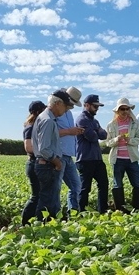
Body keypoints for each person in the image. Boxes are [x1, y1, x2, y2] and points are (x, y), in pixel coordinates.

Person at [32, 89, 74, 221]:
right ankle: (41, 228)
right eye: (65, 106)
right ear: (57, 103)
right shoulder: (48, 120)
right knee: (47, 200)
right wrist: (57, 162)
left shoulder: (46, 117)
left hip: (46, 164)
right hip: (47, 165)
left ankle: (48, 227)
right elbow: (44, 148)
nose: (66, 110)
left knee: (50, 198)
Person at [106, 98, 139, 212]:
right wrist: (116, 140)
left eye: (127, 109)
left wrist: (130, 140)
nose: (124, 111)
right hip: (117, 159)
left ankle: (137, 209)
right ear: (117, 110)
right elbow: (108, 142)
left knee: (138, 184)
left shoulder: (135, 123)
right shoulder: (111, 125)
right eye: (122, 109)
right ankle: (120, 210)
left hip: (132, 159)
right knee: (117, 185)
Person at [75, 95, 109, 213]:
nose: (97, 108)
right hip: (84, 159)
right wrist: (97, 132)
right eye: (95, 106)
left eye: (98, 106)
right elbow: (93, 137)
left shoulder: (95, 121)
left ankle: (103, 211)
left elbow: (104, 135)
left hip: (97, 159)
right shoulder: (81, 119)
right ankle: (81, 213)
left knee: (104, 185)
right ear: (86, 105)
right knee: (85, 188)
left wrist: (98, 132)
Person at [55, 86, 85, 217]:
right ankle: (53, 218)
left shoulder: (68, 113)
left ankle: (72, 215)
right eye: (71, 103)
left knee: (76, 186)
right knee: (55, 189)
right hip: (58, 154)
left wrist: (74, 131)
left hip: (68, 155)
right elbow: (50, 133)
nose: (71, 106)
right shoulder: (54, 112)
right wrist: (69, 131)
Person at [21, 100, 46, 224]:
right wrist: (44, 153)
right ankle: (24, 222)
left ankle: (35, 220)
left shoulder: (36, 126)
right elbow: (28, 147)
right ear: (37, 112)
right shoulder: (30, 127)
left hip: (37, 164)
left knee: (40, 195)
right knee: (36, 195)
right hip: (33, 164)